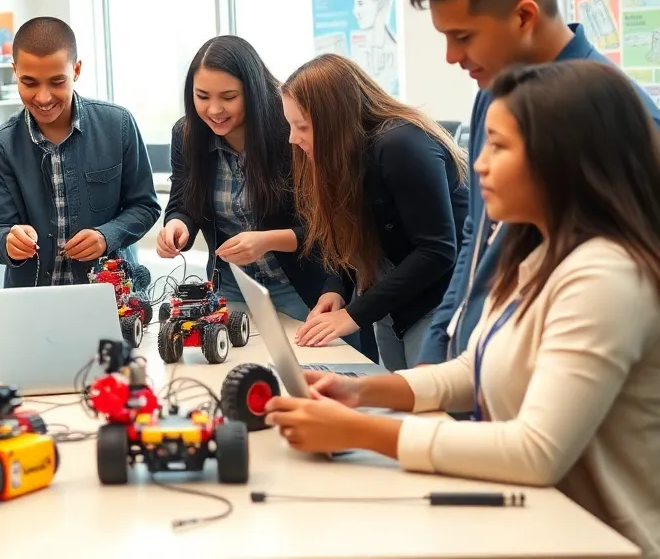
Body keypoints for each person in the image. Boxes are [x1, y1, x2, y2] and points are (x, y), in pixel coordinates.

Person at [264, 61, 660, 559]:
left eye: (499, 146)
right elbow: (477, 367)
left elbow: (536, 452)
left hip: (599, 541)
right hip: (539, 527)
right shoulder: (536, 256)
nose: (478, 165)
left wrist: (361, 430)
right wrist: (361, 391)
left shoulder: (605, 276)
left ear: (566, 158)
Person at [409, 0, 660, 365]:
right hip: (474, 371)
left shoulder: (626, 118)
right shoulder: (494, 92)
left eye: (463, 37)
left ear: (524, 17)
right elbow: (479, 239)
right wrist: (436, 355)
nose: (451, 57)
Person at [281, 53, 468, 371]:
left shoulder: (401, 144)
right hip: (393, 303)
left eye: (302, 127)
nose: (293, 139)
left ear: (335, 121)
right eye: (291, 125)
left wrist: (354, 314)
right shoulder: (346, 153)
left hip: (438, 301)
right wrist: (336, 290)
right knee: (397, 395)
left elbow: (437, 251)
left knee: (425, 396)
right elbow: (351, 232)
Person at [155, 36, 343, 333]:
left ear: (252, 91)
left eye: (228, 97)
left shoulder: (289, 131)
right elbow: (183, 200)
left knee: (317, 356)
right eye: (202, 97)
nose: (214, 110)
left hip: (299, 282)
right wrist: (178, 224)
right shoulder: (186, 135)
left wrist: (266, 240)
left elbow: (329, 226)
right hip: (233, 283)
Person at [0, 17, 160, 288]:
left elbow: (146, 206)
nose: (43, 97)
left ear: (76, 70)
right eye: (29, 83)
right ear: (14, 71)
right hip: (33, 300)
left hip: (111, 294)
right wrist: (8, 241)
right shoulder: (1, 144)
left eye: (57, 82)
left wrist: (107, 236)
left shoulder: (119, 125)